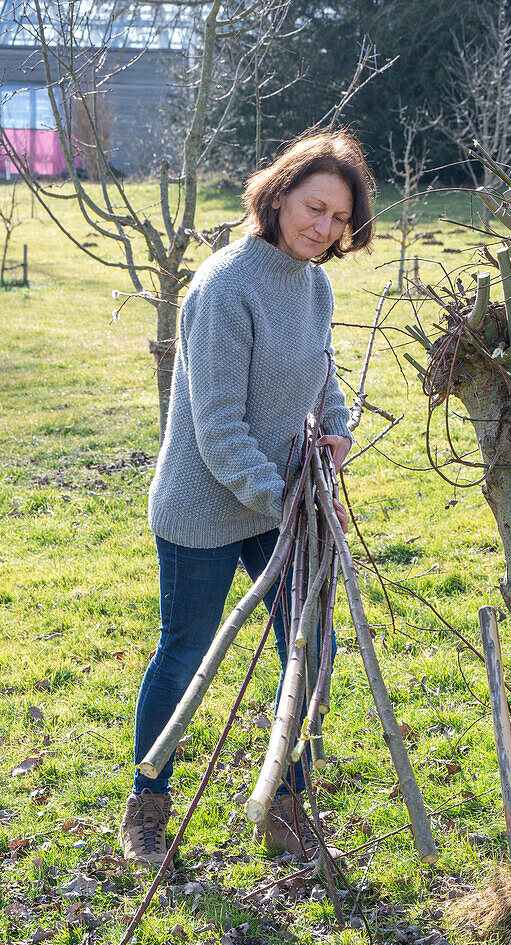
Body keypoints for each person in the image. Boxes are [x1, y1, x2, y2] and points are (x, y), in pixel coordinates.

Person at [120, 129, 375, 867]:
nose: (324, 229)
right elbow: (218, 429)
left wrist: (335, 430)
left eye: (338, 219)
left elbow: (322, 373)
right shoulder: (226, 285)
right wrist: (283, 500)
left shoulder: (315, 284)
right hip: (207, 504)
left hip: (283, 499)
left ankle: (284, 803)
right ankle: (146, 808)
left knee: (308, 649)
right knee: (184, 656)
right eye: (314, 207)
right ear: (279, 195)